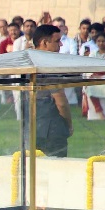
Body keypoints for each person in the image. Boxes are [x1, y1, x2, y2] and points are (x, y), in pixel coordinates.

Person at [32, 25, 72, 157]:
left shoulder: (28, 62)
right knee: (57, 170)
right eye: (57, 41)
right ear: (44, 42)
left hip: (31, 127)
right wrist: (68, 124)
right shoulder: (48, 66)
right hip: (52, 129)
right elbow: (60, 101)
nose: (60, 44)